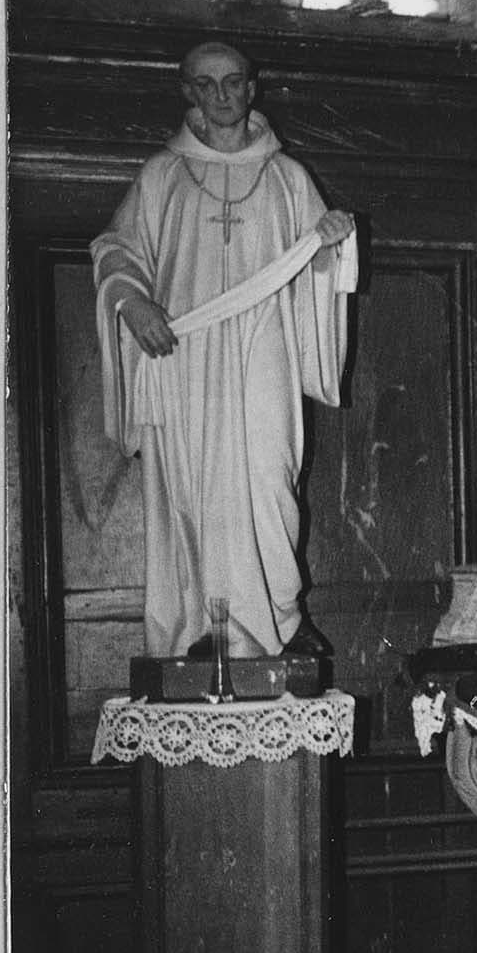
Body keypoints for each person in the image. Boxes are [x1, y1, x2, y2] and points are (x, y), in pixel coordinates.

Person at [93, 41, 357, 660]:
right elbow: (115, 250)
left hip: (265, 346)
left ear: (251, 88)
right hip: (184, 352)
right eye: (206, 84)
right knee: (195, 487)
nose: (221, 95)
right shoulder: (163, 174)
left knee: (269, 475)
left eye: (232, 82)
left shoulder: (287, 177)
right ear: (188, 92)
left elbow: (317, 272)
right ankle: (204, 629)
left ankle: (281, 618)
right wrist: (134, 304)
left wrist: (331, 245)